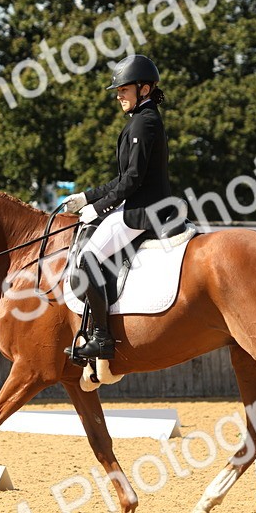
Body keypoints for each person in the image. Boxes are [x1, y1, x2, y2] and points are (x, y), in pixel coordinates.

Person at [60, 54, 178, 361]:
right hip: (143, 204)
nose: (118, 95)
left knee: (87, 258)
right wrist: (87, 197)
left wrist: (99, 208)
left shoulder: (144, 122)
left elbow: (133, 179)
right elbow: (124, 177)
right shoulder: (143, 119)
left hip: (143, 211)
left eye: (123, 89)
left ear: (144, 89)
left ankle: (102, 338)